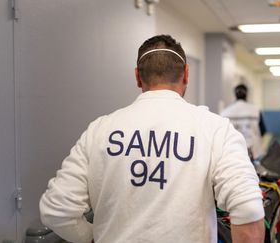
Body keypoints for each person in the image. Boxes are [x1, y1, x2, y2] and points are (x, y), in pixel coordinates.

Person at [39, 35, 265, 243]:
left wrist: (93, 237)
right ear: (186, 74)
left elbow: (56, 210)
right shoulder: (215, 129)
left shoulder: (99, 130)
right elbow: (248, 210)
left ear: (137, 76)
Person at [221, 84, 267, 160]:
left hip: (232, 150)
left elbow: (222, 134)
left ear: (235, 94)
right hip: (253, 151)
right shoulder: (256, 110)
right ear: (246, 94)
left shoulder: (225, 112)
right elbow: (263, 131)